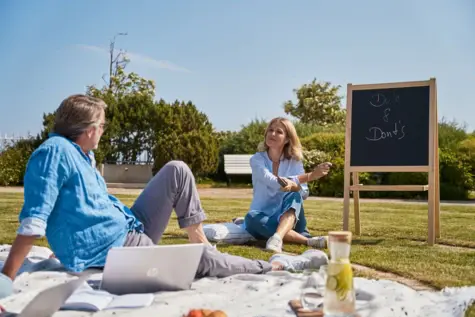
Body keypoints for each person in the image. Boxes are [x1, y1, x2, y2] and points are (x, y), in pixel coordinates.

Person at [0, 95, 328, 299]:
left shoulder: (82, 153)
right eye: (101, 125)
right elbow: (34, 220)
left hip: (130, 226)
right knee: (199, 261)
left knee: (177, 170)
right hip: (116, 250)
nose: (103, 130)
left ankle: (203, 243)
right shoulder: (54, 153)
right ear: (87, 129)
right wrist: (6, 280)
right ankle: (275, 264)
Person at [244, 117, 332, 253]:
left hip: (293, 219)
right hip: (264, 218)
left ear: (287, 139)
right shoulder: (257, 159)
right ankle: (307, 241)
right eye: (270, 130)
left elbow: (304, 193)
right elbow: (272, 181)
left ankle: (277, 237)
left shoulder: (295, 161)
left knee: (294, 194)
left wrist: (294, 185)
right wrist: (310, 176)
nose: (272, 134)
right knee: (250, 219)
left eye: (279, 132)